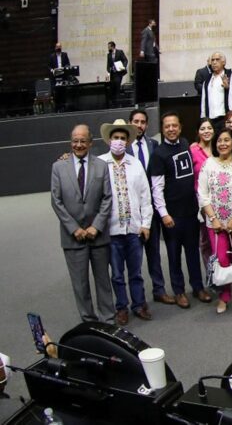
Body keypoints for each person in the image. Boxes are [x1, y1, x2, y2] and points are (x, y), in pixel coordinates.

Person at [52, 125, 115, 322]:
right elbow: (56, 201)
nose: (78, 145)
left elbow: (107, 198)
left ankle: (108, 321)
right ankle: (89, 322)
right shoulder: (58, 167)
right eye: (75, 141)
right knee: (80, 284)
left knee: (103, 281)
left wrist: (96, 226)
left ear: (90, 142)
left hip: (98, 235)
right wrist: (75, 229)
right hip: (73, 238)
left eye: (82, 141)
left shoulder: (101, 166)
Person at [149, 113, 211, 308]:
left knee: (193, 252)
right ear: (162, 128)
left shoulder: (186, 144)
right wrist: (164, 214)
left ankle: (198, 287)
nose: (171, 129)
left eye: (174, 125)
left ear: (180, 127)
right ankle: (179, 291)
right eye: (167, 126)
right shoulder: (158, 154)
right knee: (174, 256)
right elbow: (156, 188)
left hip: (191, 212)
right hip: (172, 216)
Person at [98, 119, 152, 324]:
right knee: (117, 274)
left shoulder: (135, 164)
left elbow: (145, 196)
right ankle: (121, 307)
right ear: (109, 140)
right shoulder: (100, 164)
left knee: (136, 272)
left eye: (122, 138)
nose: (119, 141)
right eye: (115, 138)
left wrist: (146, 224)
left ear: (128, 141)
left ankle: (139, 304)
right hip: (111, 230)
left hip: (133, 228)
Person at [197, 128, 232, 314]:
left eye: (227, 140)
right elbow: (202, 194)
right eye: (219, 140)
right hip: (215, 223)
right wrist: (213, 218)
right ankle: (225, 296)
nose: (223, 144)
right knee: (222, 259)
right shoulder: (208, 164)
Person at [129, 109, 166, 303]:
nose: (139, 125)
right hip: (132, 210)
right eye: (136, 121)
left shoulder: (154, 144)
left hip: (151, 208)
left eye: (143, 122)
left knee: (154, 253)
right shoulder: (123, 147)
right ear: (130, 123)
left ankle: (159, 290)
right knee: (134, 258)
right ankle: (138, 299)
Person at [197, 52, 231, 128]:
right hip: (210, 119)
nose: (214, 62)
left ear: (223, 62)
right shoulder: (207, 80)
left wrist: (228, 88)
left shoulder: (230, 75)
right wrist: (203, 118)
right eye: (212, 60)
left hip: (225, 118)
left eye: (217, 60)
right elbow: (203, 100)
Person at [106, 41, 128, 107]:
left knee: (117, 84)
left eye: (109, 47)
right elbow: (108, 65)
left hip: (119, 72)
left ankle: (118, 102)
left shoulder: (120, 52)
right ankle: (113, 103)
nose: (108, 48)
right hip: (112, 73)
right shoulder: (109, 55)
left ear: (112, 46)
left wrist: (123, 67)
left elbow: (125, 60)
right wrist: (108, 71)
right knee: (113, 87)